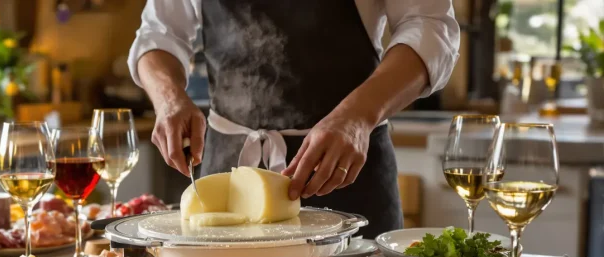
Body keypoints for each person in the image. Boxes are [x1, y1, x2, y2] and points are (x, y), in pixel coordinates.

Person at [128, 1, 460, 238]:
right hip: (226, 179)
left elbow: (430, 26)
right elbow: (159, 32)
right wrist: (168, 99)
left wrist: (356, 117)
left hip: (344, 173)